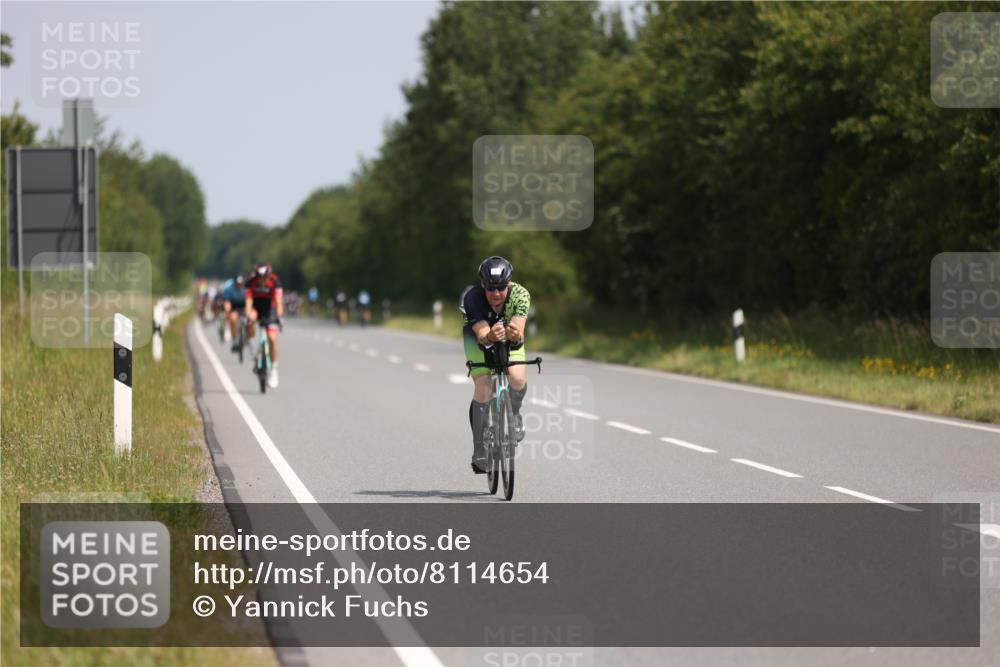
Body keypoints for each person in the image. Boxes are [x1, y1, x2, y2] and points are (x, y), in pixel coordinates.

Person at [461, 256, 531, 474]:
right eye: (491, 287)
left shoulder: (521, 294)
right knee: (483, 385)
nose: (496, 293)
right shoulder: (471, 298)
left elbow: (519, 327)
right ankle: (479, 448)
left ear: (509, 284)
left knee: (517, 378)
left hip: (509, 337)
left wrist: (514, 333)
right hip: (478, 338)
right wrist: (490, 336)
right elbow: (481, 334)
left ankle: (515, 414)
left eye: (501, 287)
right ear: (483, 284)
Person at [245, 263, 285, 388]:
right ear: (257, 276)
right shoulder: (250, 282)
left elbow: (278, 302)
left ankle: (274, 370)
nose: (264, 280)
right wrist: (248, 315)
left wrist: (280, 317)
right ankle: (252, 346)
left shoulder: (275, 282)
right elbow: (249, 301)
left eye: (266, 277)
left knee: (272, 338)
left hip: (270, 309)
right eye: (261, 277)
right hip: (256, 307)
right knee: (250, 320)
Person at [221, 274, 246, 351]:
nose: (239, 285)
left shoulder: (246, 288)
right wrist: (227, 311)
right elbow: (227, 302)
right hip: (234, 305)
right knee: (233, 319)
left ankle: (247, 338)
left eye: (241, 284)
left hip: (244, 304)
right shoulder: (229, 288)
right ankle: (234, 340)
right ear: (234, 283)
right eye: (237, 284)